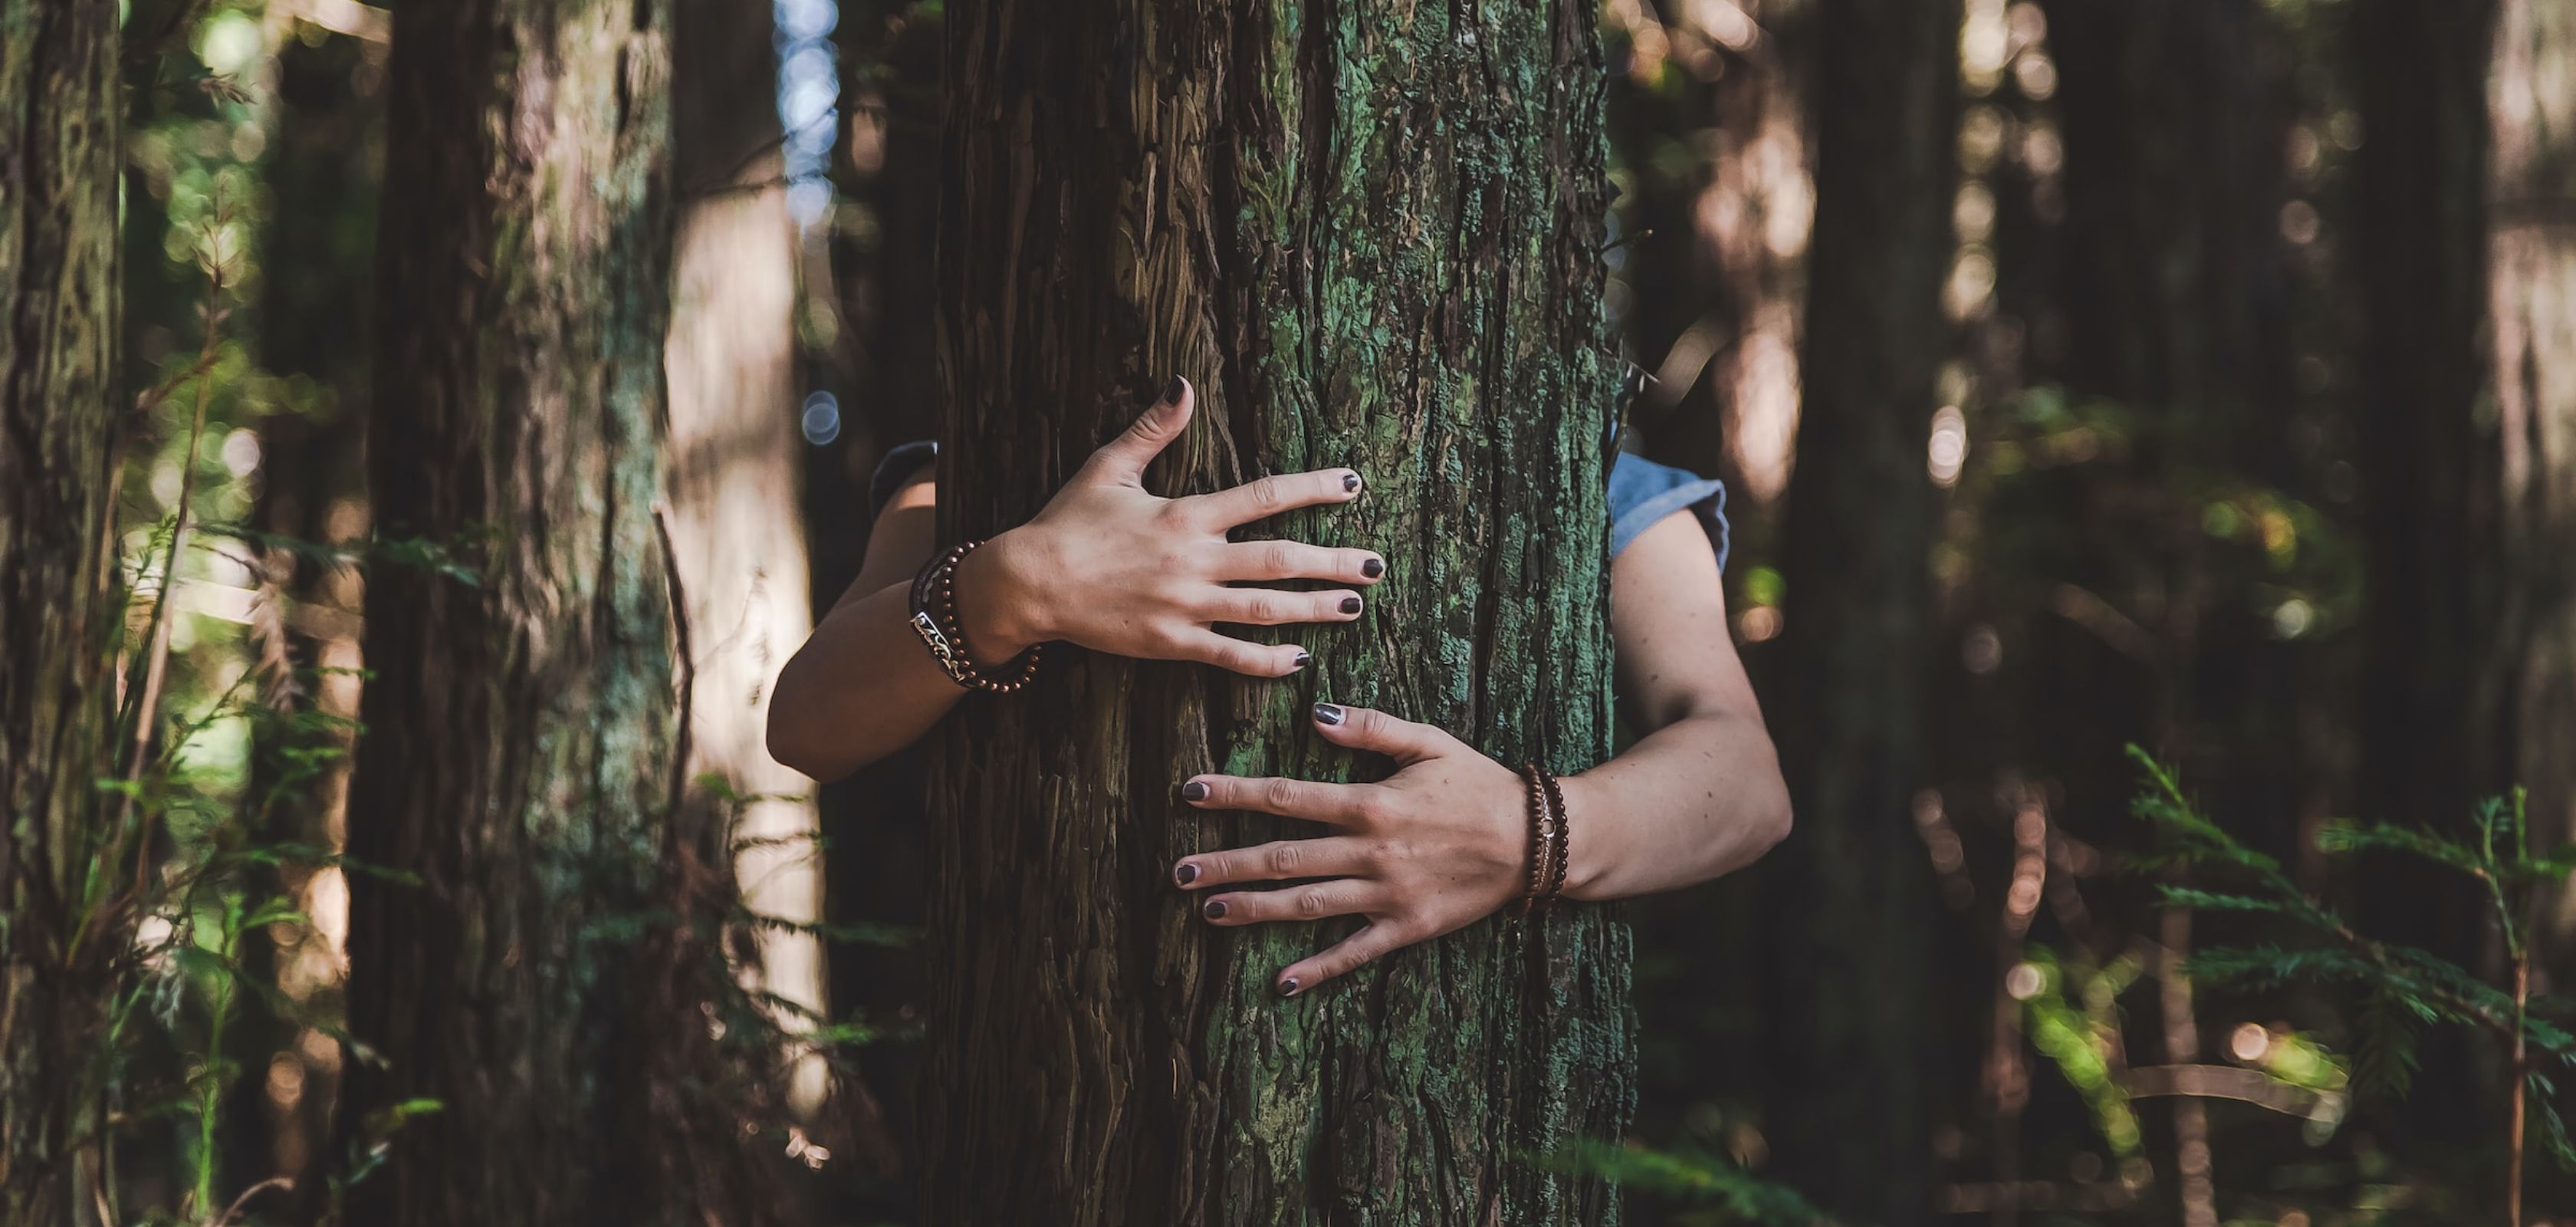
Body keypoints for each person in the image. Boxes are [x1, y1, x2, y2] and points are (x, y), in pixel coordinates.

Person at [768, 377, 1790, 996]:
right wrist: (1017, 584)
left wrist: (1529, 832)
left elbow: (1745, 782)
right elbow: (809, 723)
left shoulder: (1593, 482)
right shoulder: (991, 458)